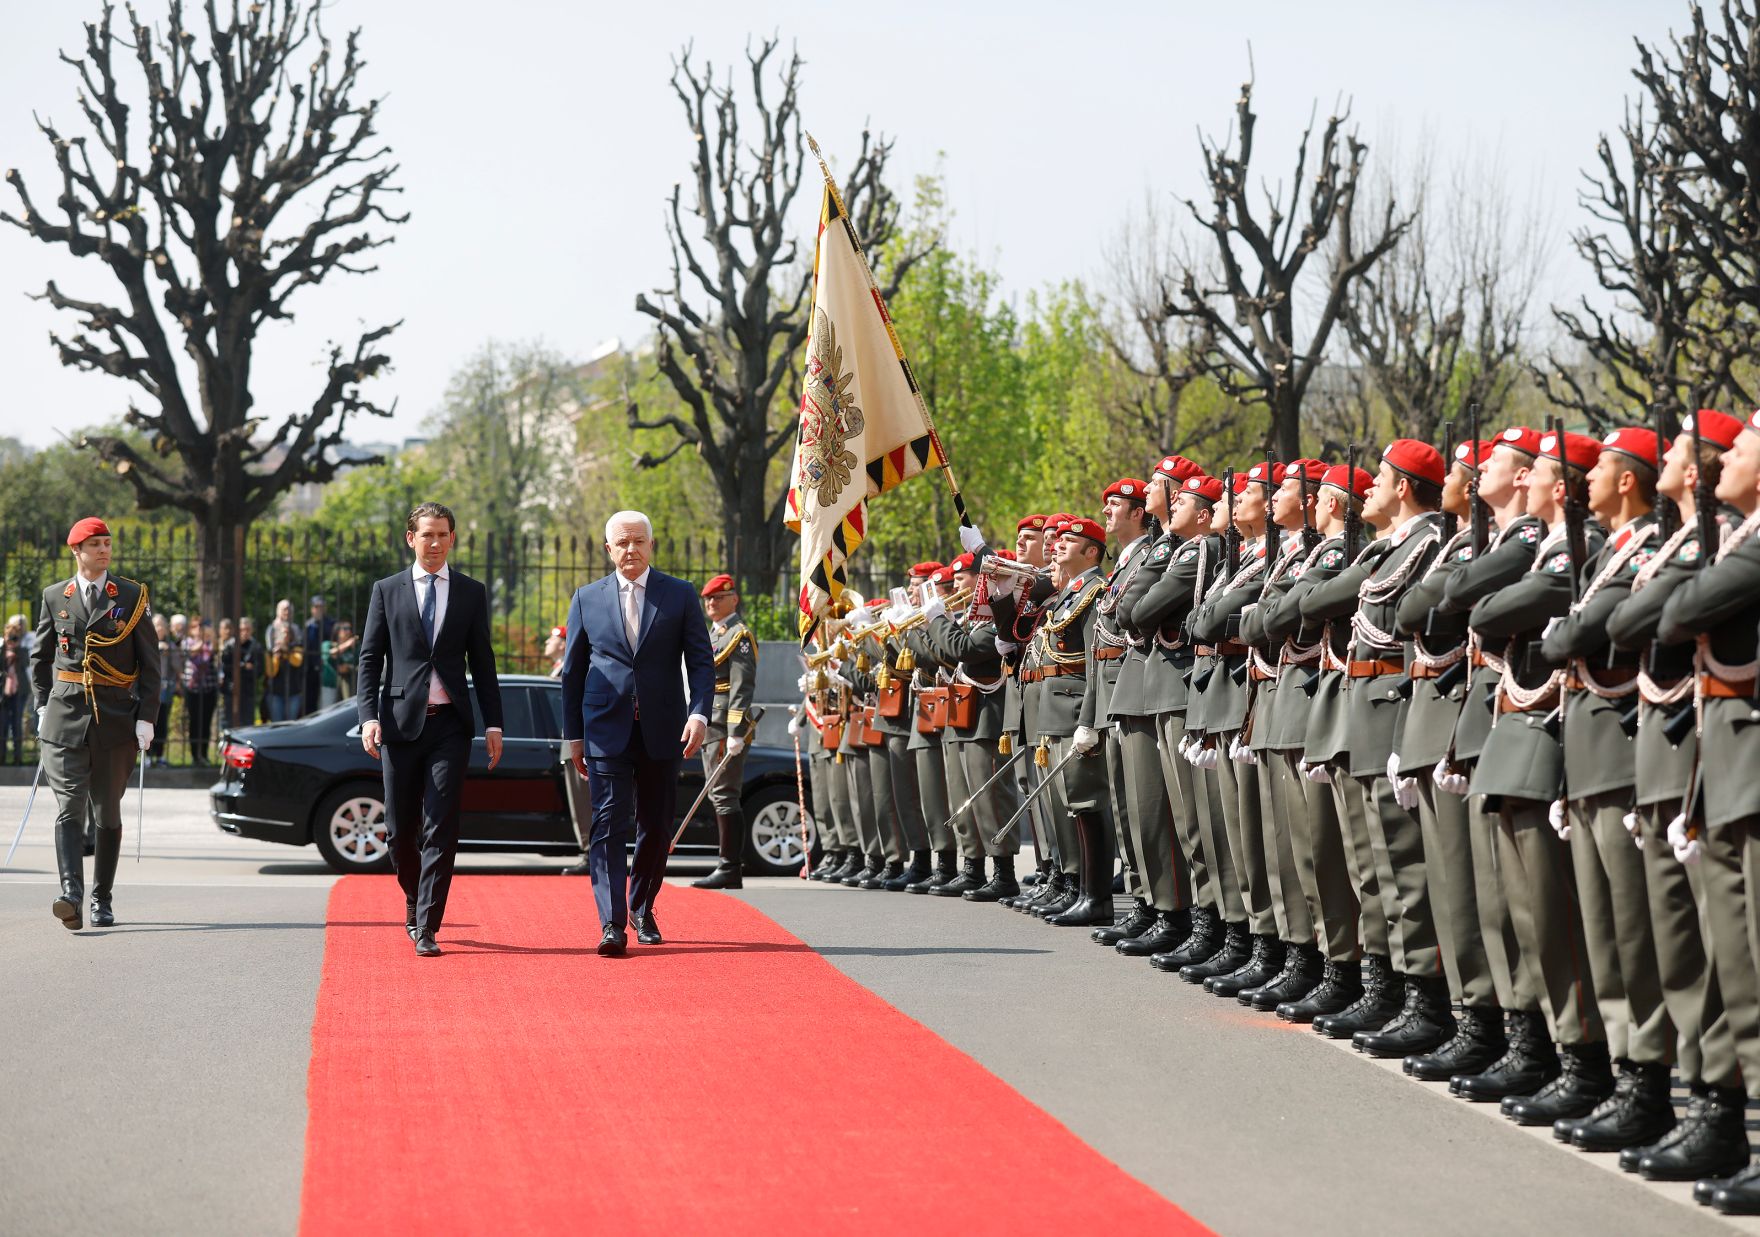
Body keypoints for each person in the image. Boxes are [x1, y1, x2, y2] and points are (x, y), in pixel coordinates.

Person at [560, 509, 714, 957]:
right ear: (608, 549)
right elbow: (573, 672)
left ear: (651, 545)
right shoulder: (587, 597)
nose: (631, 550)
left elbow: (701, 661)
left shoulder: (679, 595)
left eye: (638, 541)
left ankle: (641, 906)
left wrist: (699, 714)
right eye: (622, 543)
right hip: (605, 729)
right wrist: (574, 736)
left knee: (656, 823)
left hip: (664, 728)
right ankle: (611, 924)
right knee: (608, 822)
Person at [357, 502, 504, 958]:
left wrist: (493, 722)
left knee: (441, 825)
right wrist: (368, 717)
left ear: (453, 538)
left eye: (443, 535)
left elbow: (483, 662)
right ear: (411, 539)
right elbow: (369, 658)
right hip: (400, 727)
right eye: (427, 535)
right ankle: (412, 897)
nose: (435, 543)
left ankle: (427, 925)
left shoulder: (470, 592)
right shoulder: (387, 590)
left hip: (451, 728)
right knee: (400, 833)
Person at [30, 517, 160, 930]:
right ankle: (71, 894)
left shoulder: (131, 595)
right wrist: (39, 706)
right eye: (95, 544)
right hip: (64, 717)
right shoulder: (55, 596)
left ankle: (101, 899)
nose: (104, 550)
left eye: (107, 543)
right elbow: (39, 656)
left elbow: (151, 666)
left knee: (106, 811)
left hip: (115, 718)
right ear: (77, 551)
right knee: (69, 806)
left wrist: (147, 718)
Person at [691, 574, 758, 890]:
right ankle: (727, 865)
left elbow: (741, 688)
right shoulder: (715, 634)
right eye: (708, 599)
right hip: (711, 724)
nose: (711, 603)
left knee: (724, 794)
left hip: (725, 726)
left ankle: (730, 866)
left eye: (718, 598)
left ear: (734, 599)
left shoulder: (739, 635)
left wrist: (736, 730)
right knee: (719, 794)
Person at [182, 618, 219, 765]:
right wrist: (203, 641)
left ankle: (204, 754)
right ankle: (194, 756)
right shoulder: (188, 641)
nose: (199, 630)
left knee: (206, 722)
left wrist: (211, 637)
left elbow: (216, 651)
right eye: (196, 627)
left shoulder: (211, 643)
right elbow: (191, 654)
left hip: (209, 688)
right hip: (192, 688)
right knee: (194, 722)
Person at [220, 617, 261, 737]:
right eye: (242, 629)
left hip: (248, 690)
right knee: (229, 721)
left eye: (247, 629)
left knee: (247, 723)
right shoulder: (229, 646)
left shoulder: (256, 647)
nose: (244, 632)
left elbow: (259, 671)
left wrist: (239, 667)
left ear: (251, 630)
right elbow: (225, 667)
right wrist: (244, 666)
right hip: (231, 690)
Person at [265, 599, 303, 721]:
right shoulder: (271, 628)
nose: (287, 612)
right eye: (284, 609)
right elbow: (271, 670)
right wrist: (277, 654)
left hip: (293, 688)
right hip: (275, 689)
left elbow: (298, 660)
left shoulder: (296, 629)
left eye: (289, 609)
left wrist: (286, 651)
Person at [304, 595, 335, 715]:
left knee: (327, 704)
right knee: (310, 701)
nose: (319, 609)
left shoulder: (331, 623)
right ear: (312, 608)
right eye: (316, 607)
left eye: (321, 607)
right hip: (310, 669)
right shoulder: (308, 625)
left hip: (327, 667)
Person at [2, 615, 26, 764]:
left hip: (20, 691)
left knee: (17, 723)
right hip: (2, 692)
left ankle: (18, 757)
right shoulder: (1, 649)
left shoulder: (22, 650)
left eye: (15, 638)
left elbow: (27, 664)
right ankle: (2, 757)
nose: (12, 641)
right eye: (9, 638)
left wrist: (16, 654)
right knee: (2, 724)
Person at [322, 620, 358, 706]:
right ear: (337, 631)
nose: (348, 631)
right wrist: (347, 644)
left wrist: (348, 667)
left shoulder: (355, 647)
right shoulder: (327, 644)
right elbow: (331, 654)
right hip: (330, 686)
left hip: (350, 686)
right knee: (326, 713)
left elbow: (360, 664)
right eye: (345, 628)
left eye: (350, 629)